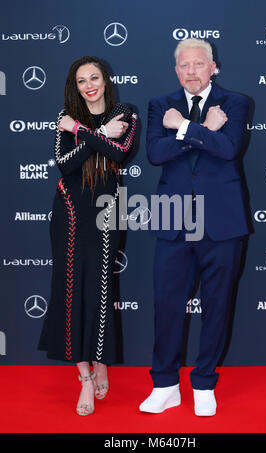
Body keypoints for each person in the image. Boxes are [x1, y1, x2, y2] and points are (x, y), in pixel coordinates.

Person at [139, 38, 250, 416]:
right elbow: (155, 154)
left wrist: (184, 127)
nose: (191, 72)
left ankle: (204, 383)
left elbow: (228, 148)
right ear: (176, 70)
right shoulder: (159, 105)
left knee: (217, 305)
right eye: (184, 66)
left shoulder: (235, 103)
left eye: (198, 64)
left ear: (213, 67)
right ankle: (165, 384)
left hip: (222, 219)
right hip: (173, 218)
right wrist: (203, 129)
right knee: (166, 305)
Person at [38, 56, 137, 416]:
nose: (89, 85)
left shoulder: (124, 112)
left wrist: (82, 132)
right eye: (81, 81)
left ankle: (102, 362)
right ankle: (83, 377)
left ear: (106, 80)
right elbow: (66, 166)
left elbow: (120, 152)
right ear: (75, 86)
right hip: (68, 212)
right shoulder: (64, 117)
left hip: (107, 213)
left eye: (94, 77)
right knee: (69, 292)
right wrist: (96, 135)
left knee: (100, 292)